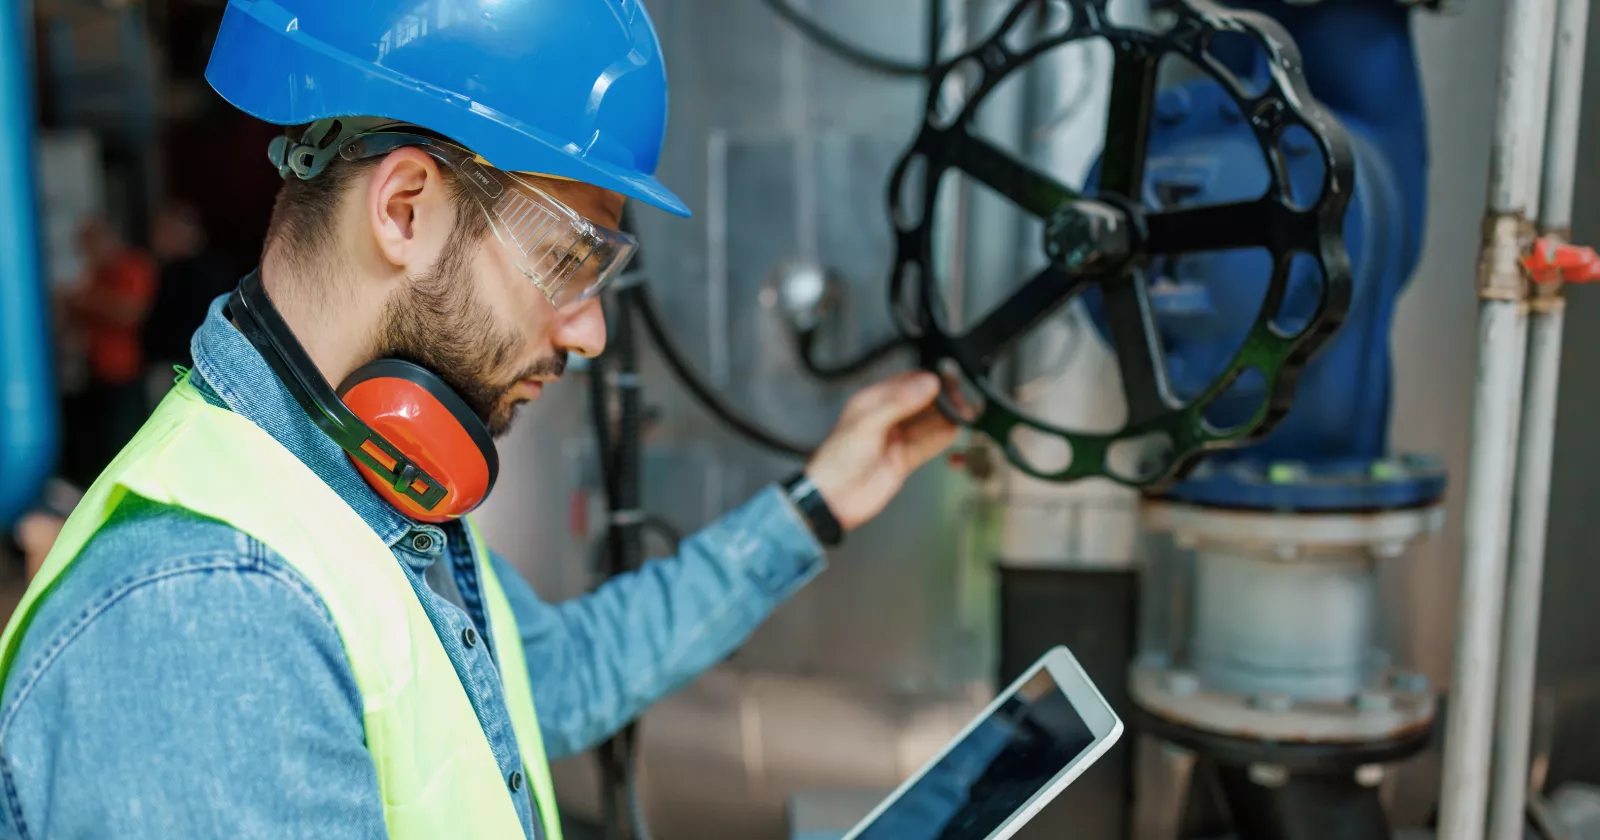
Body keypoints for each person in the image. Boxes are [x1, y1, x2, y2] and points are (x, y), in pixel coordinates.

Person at [0, 3, 959, 839]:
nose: (588, 331)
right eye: (571, 259)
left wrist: (816, 504)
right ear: (407, 210)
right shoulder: (210, 612)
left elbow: (549, 682)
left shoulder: (361, 486)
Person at [55, 216, 158, 483]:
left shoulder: (132, 267)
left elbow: (131, 312)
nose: (86, 252)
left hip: (126, 369)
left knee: (123, 442)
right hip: (94, 369)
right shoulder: (94, 274)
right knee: (96, 444)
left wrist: (83, 300)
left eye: (90, 244)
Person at [141, 199, 239, 376]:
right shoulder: (217, 268)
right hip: (207, 363)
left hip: (180, 366)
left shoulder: (181, 274)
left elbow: (162, 324)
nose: (156, 239)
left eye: (164, 231)